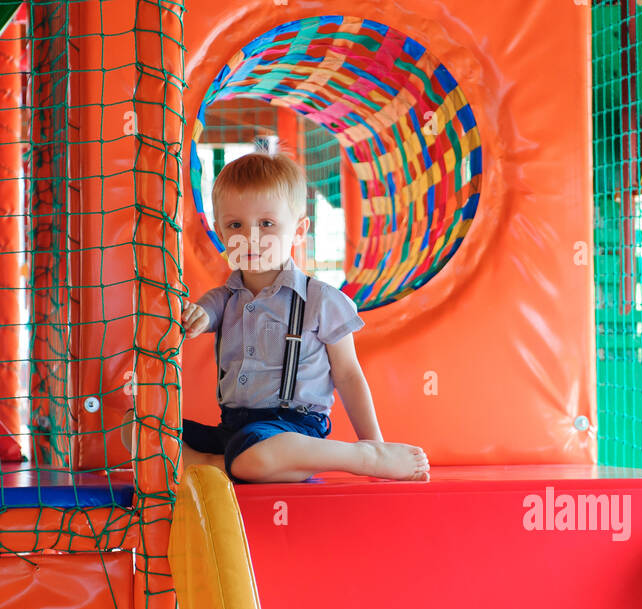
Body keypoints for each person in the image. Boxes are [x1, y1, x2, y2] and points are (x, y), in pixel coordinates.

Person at [126, 151, 429, 484]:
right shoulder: (223, 299)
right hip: (234, 430)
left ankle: (359, 457)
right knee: (135, 426)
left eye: (266, 224)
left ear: (299, 230)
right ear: (220, 233)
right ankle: (218, 463)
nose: (251, 236)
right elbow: (204, 314)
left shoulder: (320, 299)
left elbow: (348, 374)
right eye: (235, 225)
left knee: (258, 453)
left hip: (292, 429)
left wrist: (374, 444)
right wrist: (194, 316)